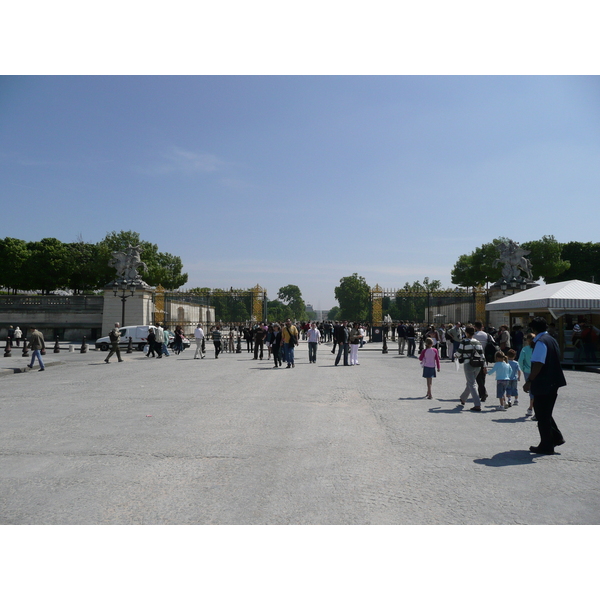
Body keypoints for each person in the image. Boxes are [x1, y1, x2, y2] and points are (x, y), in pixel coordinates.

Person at [523, 316, 567, 455]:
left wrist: (529, 380)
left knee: (541, 413)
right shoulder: (551, 339)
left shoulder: (540, 342)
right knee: (545, 412)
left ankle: (546, 445)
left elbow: (538, 363)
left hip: (544, 382)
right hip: (553, 380)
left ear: (533, 329)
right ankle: (556, 438)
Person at [455, 326, 484, 411]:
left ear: (466, 333)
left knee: (472, 384)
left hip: (468, 364)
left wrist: (455, 355)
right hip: (478, 364)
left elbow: (459, 353)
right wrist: (484, 366)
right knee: (470, 382)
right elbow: (482, 354)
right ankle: (463, 398)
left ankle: (477, 404)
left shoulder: (464, 342)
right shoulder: (478, 342)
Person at [472, 321, 491, 402]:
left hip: (476, 357)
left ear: (475, 327)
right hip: (485, 357)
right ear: (482, 326)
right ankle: (482, 392)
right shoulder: (487, 335)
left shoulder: (474, 335)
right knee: (483, 376)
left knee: (477, 376)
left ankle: (483, 393)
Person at [518, 333, 535, 417]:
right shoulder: (537, 349)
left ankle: (531, 408)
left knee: (531, 389)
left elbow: (520, 361)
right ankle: (533, 407)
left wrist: (523, 369)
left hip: (527, 371)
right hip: (537, 371)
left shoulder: (525, 349)